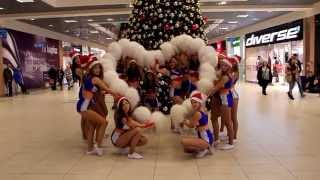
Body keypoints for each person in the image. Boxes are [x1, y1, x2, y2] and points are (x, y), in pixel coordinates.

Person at [76, 56, 116, 156]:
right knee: (104, 122)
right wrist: (117, 93)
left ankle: (90, 149)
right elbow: (108, 89)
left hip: (84, 105)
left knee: (92, 126)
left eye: (99, 68)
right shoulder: (95, 79)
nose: (98, 70)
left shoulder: (87, 77)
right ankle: (97, 146)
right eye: (95, 68)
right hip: (84, 107)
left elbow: (94, 90)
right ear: (91, 69)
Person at [209, 58, 235, 150]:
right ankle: (216, 139)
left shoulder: (225, 77)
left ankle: (231, 143)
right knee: (214, 118)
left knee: (227, 122)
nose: (222, 66)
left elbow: (215, 88)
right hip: (221, 98)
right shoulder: (223, 74)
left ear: (229, 67)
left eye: (225, 65)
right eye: (221, 64)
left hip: (226, 99)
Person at [181, 91, 213, 158]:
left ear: (200, 102)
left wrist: (183, 121)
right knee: (186, 149)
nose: (193, 104)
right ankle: (205, 148)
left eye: (195, 102)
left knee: (183, 141)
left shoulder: (197, 114)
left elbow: (191, 126)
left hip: (206, 140)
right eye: (192, 103)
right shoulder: (203, 110)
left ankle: (205, 148)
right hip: (206, 138)